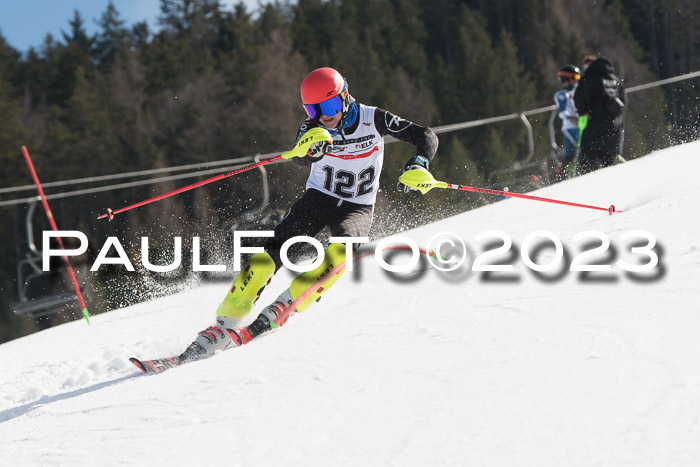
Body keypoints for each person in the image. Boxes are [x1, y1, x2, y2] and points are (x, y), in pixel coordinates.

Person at [181, 67, 439, 360]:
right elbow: (301, 159)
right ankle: (224, 323)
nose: (324, 115)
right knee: (268, 256)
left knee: (340, 255)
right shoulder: (314, 126)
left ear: (345, 96)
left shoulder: (374, 118)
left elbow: (425, 135)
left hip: (357, 206)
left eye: (328, 105)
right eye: (313, 109)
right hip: (318, 200)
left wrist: (419, 163)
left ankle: (285, 305)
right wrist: (307, 151)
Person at [573, 55, 626, 174]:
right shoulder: (616, 80)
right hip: (614, 130)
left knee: (588, 168)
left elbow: (578, 99)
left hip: (592, 130)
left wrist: (583, 113)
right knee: (611, 166)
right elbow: (624, 102)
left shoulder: (588, 79)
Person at [553, 64, 581, 179]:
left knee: (584, 152)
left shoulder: (577, 91)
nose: (576, 80)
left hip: (581, 126)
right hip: (570, 128)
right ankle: (563, 178)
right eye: (574, 77)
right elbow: (562, 112)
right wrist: (573, 119)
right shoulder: (562, 94)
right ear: (566, 79)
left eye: (578, 77)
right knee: (571, 155)